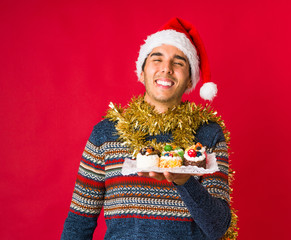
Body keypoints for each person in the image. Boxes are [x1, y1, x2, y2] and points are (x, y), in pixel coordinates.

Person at [61, 17, 237, 240]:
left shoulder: (208, 135)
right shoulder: (105, 135)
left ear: (189, 80)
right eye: (157, 59)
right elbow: (79, 222)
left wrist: (184, 181)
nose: (167, 68)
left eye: (179, 62)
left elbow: (218, 227)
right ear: (142, 72)